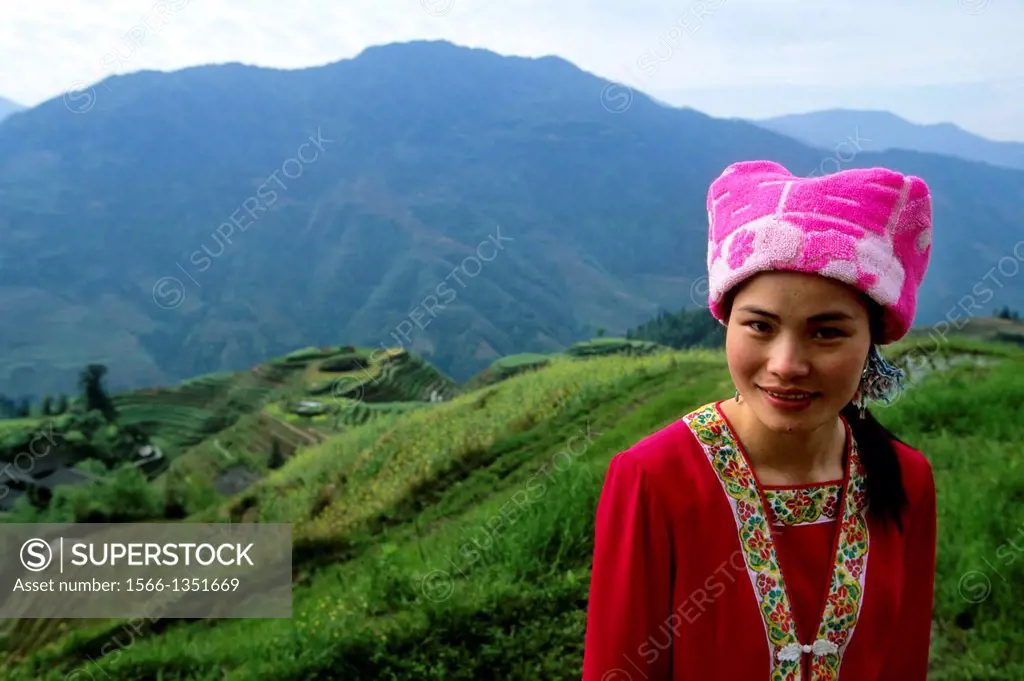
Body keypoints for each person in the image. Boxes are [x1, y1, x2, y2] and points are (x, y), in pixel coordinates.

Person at [581, 160, 937, 680]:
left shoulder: (906, 479)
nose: (787, 364)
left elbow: (904, 662)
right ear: (727, 324)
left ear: (872, 341)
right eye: (760, 326)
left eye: (827, 332)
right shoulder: (652, 480)